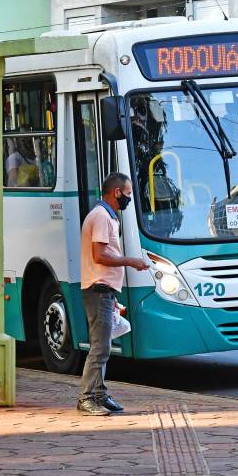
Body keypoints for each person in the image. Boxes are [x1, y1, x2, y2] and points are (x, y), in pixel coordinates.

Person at [78, 172, 148, 416]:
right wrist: (131, 262)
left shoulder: (106, 216)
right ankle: (87, 398)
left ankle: (99, 394)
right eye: (127, 194)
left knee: (103, 346)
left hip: (103, 290)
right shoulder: (101, 217)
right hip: (98, 290)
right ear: (116, 192)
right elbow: (99, 256)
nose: (128, 199)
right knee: (100, 348)